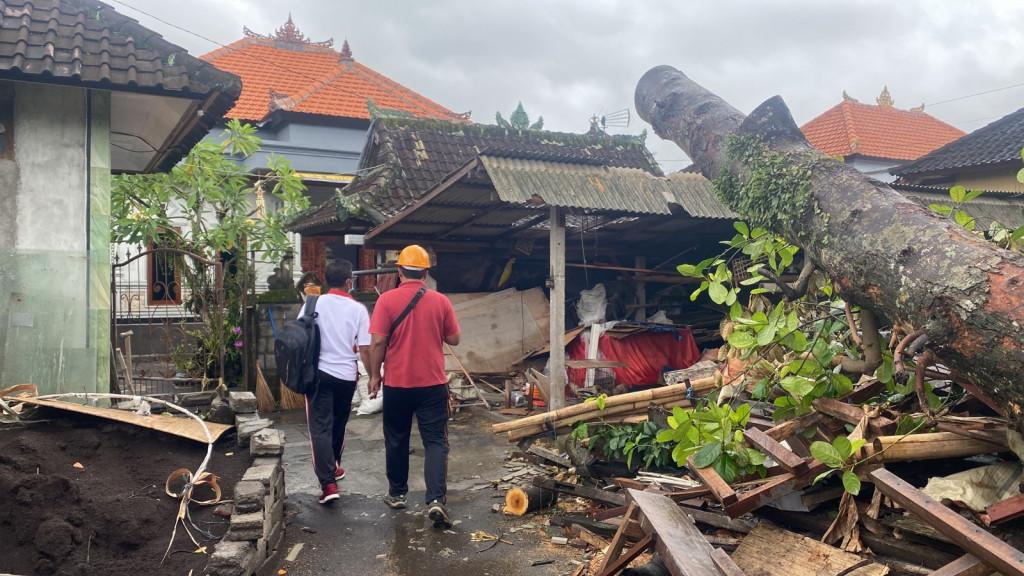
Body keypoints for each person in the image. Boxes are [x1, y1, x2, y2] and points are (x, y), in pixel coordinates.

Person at [368, 245, 460, 528]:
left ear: (399, 271)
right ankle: (435, 500)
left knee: (396, 439)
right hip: (432, 384)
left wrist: (374, 376)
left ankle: (397, 494)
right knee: (435, 441)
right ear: (426, 272)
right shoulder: (440, 301)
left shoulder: (385, 301)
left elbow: (378, 342)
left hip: (397, 384)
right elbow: (454, 339)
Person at [300, 259, 370, 505]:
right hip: (346, 377)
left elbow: (299, 336)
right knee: (339, 425)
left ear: (325, 280)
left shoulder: (312, 303)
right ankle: (334, 467)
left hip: (317, 375)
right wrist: (374, 376)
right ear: (349, 281)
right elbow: (364, 349)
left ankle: (328, 483)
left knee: (319, 427)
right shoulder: (359, 310)